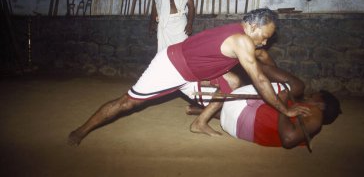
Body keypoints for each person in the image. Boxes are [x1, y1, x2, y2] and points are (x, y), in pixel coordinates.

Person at [68, 8, 310, 146]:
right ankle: (81, 131)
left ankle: (199, 123)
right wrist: (284, 109)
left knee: (233, 82)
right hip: (171, 66)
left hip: (193, 73)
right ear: (253, 27)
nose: (266, 41)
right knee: (128, 102)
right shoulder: (241, 40)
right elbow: (259, 79)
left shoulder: (243, 37)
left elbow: (266, 61)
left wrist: (280, 84)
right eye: (265, 36)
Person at [186, 65, 342, 149]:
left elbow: (288, 139)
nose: (311, 95)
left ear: (321, 104)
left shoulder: (316, 114)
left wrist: (283, 108)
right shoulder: (306, 119)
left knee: (296, 86)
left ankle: (254, 63)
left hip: (242, 114)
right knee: (278, 94)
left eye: (315, 95)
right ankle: (203, 112)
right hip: (235, 126)